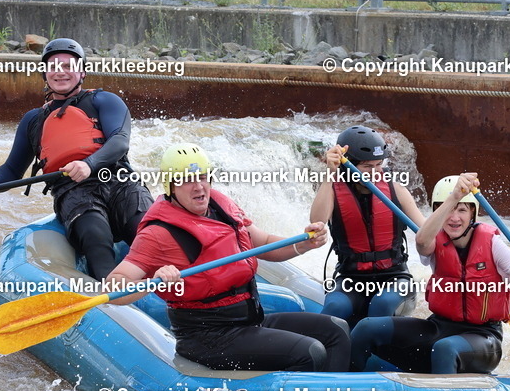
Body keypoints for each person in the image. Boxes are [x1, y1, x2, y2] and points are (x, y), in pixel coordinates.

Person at [106, 144, 350, 372]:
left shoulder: (220, 208)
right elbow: (115, 283)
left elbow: (262, 243)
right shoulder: (158, 233)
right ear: (171, 186)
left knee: (335, 330)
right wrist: (156, 278)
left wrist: (303, 244)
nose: (199, 187)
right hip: (208, 337)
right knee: (310, 351)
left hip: (250, 321)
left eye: (202, 177)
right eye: (187, 180)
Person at [0, 38, 152, 280]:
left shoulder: (104, 101)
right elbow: (12, 168)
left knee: (151, 231)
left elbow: (120, 140)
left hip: (121, 183)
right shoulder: (33, 120)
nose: (60, 72)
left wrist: (89, 164)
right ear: (45, 74)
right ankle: (112, 299)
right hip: (74, 192)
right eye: (53, 67)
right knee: (94, 234)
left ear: (81, 72)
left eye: (68, 66)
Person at [350, 173, 510, 374]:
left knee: (446, 348)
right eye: (448, 210)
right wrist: (454, 197)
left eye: (461, 210)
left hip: (483, 338)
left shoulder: (493, 244)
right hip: (438, 327)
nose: (454, 218)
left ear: (472, 214)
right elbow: (421, 241)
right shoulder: (433, 241)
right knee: (366, 327)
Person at [310, 126, 425, 328]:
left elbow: (426, 233)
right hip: (351, 278)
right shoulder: (333, 189)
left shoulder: (395, 189)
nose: (376, 172)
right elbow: (317, 224)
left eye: (379, 164)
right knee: (334, 308)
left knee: (382, 303)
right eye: (367, 166)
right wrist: (329, 173)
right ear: (348, 166)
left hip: (395, 277)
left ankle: (374, 354)